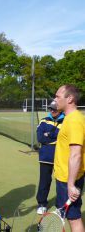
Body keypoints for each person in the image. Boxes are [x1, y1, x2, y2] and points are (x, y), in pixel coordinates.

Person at [54, 84, 85, 232]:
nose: (55, 99)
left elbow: (75, 154)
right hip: (66, 177)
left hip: (68, 178)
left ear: (70, 98)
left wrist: (71, 184)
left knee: (74, 218)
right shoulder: (69, 118)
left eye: (58, 96)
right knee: (70, 216)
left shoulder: (74, 121)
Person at [36, 101, 65, 215]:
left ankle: (60, 207)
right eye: (50, 109)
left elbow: (63, 139)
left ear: (60, 109)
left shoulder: (66, 121)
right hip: (45, 157)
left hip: (61, 156)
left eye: (54, 109)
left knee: (61, 182)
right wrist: (54, 137)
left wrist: (48, 135)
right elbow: (40, 138)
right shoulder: (44, 120)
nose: (52, 111)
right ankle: (42, 204)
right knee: (44, 181)